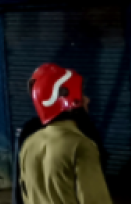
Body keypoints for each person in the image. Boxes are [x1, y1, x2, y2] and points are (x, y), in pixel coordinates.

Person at [13, 63, 110, 204]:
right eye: (81, 94)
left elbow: (22, 195)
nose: (88, 99)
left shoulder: (29, 142)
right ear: (68, 98)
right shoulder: (80, 145)